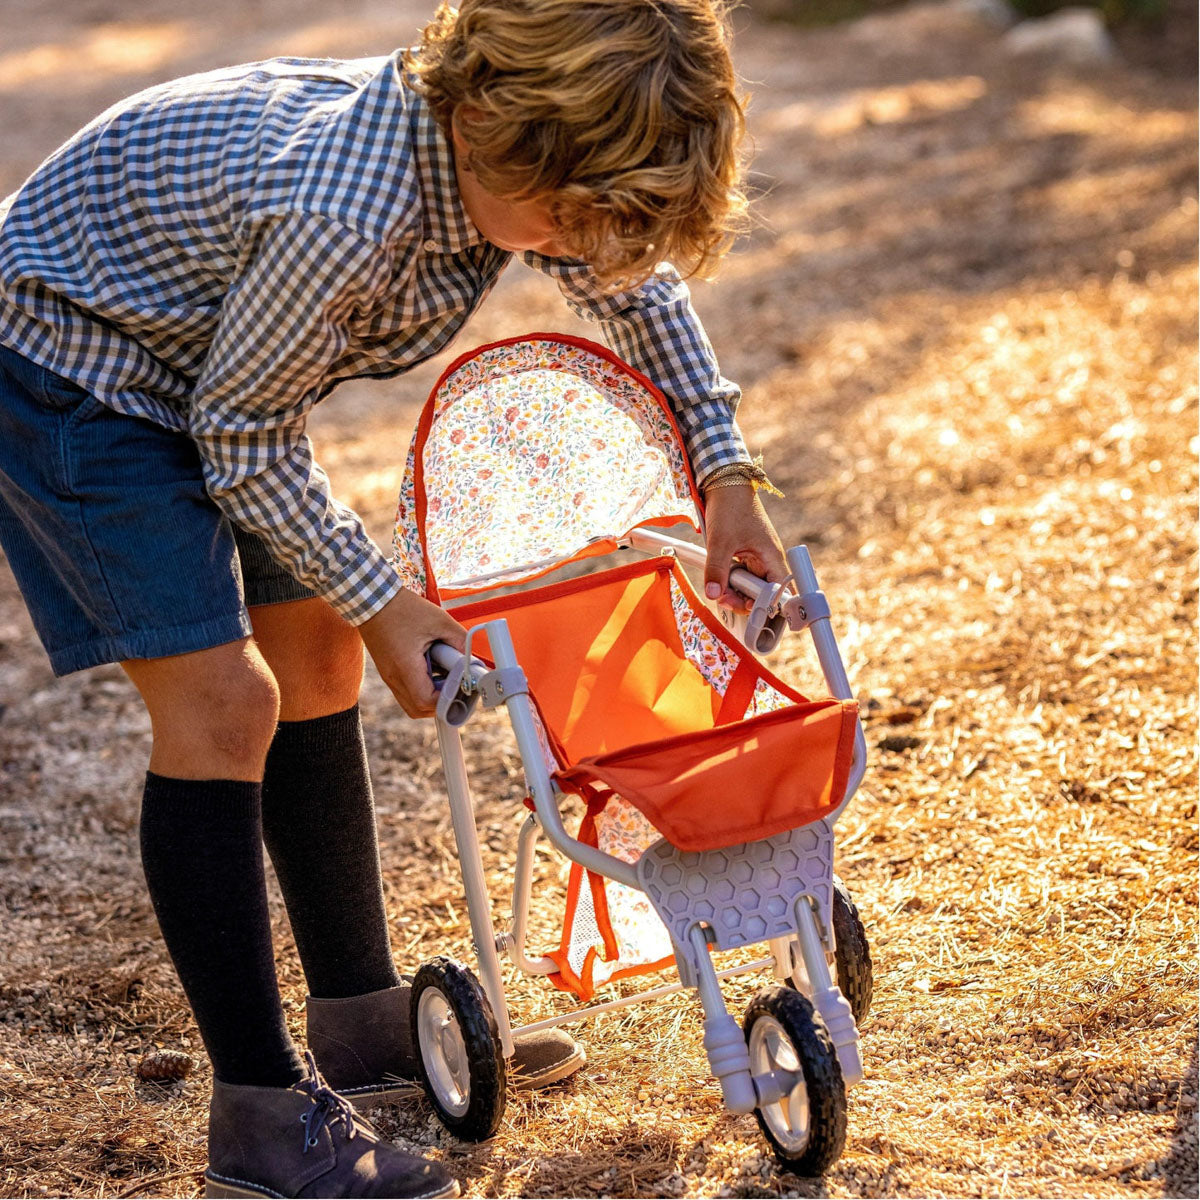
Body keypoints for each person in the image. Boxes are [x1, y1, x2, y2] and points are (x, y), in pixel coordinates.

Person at [0, 1, 788, 1196]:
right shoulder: (351, 216)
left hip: (207, 367)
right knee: (226, 706)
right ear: (485, 132)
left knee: (311, 654)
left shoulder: (520, 161)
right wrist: (388, 601)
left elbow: (640, 286)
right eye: (575, 218)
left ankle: (363, 1023)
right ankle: (261, 1126)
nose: (589, 243)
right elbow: (242, 433)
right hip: (74, 364)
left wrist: (724, 470)